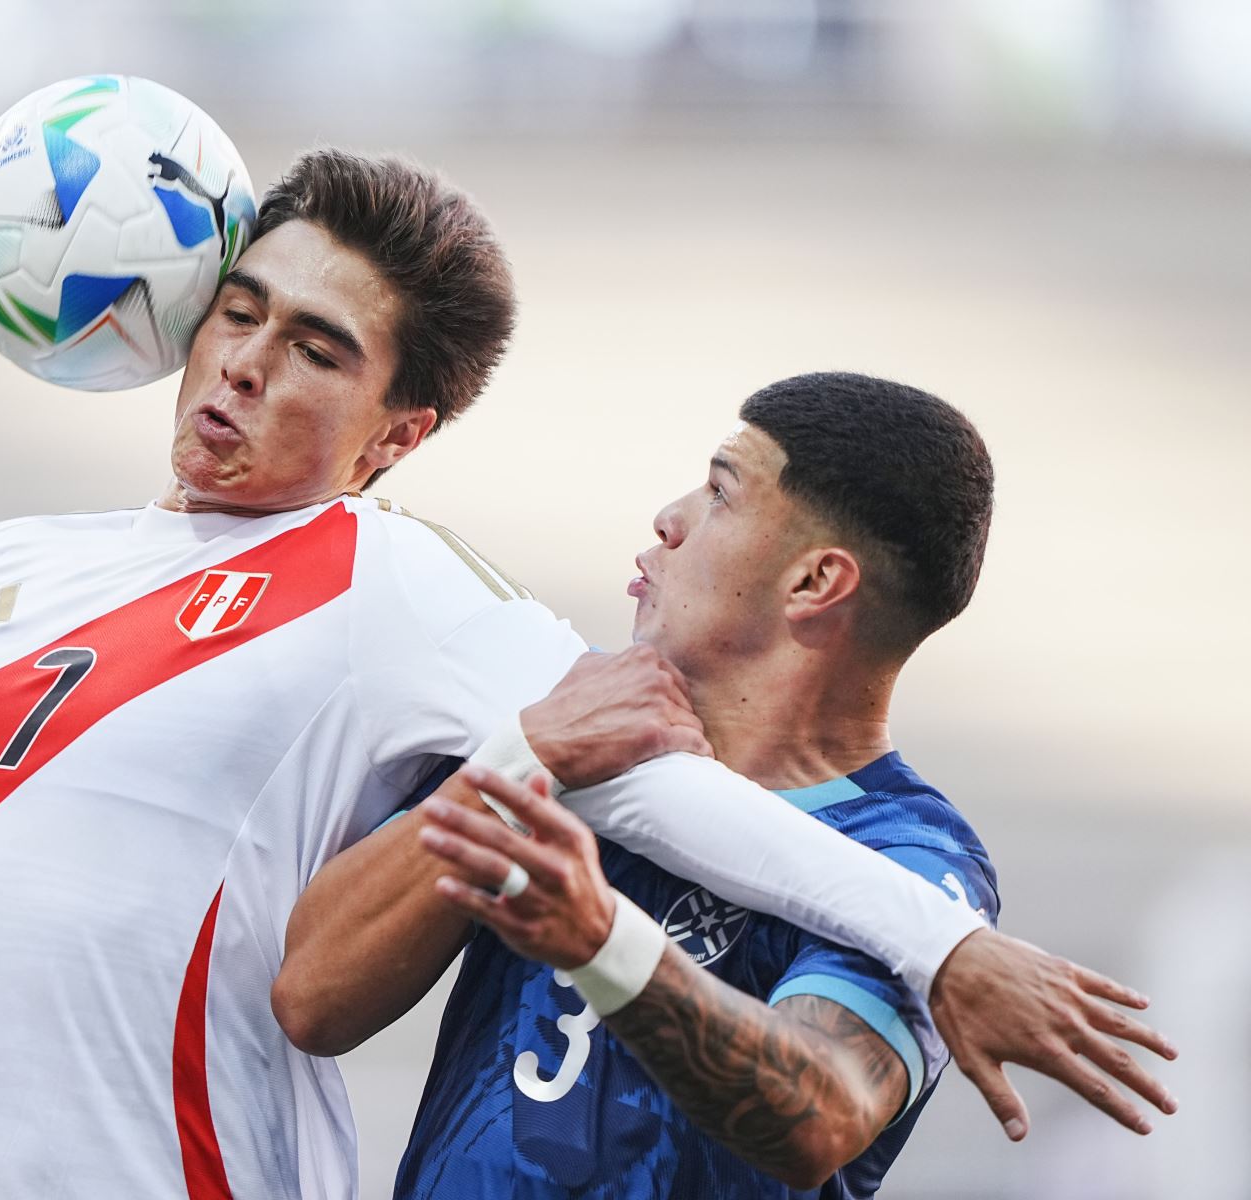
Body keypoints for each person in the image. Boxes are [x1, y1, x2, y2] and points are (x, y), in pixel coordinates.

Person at [0, 153, 1171, 1200]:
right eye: (242, 309)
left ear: (398, 436)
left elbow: (669, 796)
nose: (249, 363)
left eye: (320, 348)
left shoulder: (392, 582)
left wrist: (940, 945)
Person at [276, 374, 1173, 1197]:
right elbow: (312, 998)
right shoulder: (568, 721)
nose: (668, 519)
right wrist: (517, 759)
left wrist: (602, 943)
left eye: (719, 493)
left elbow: (823, 1113)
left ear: (815, 581)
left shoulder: (909, 856)